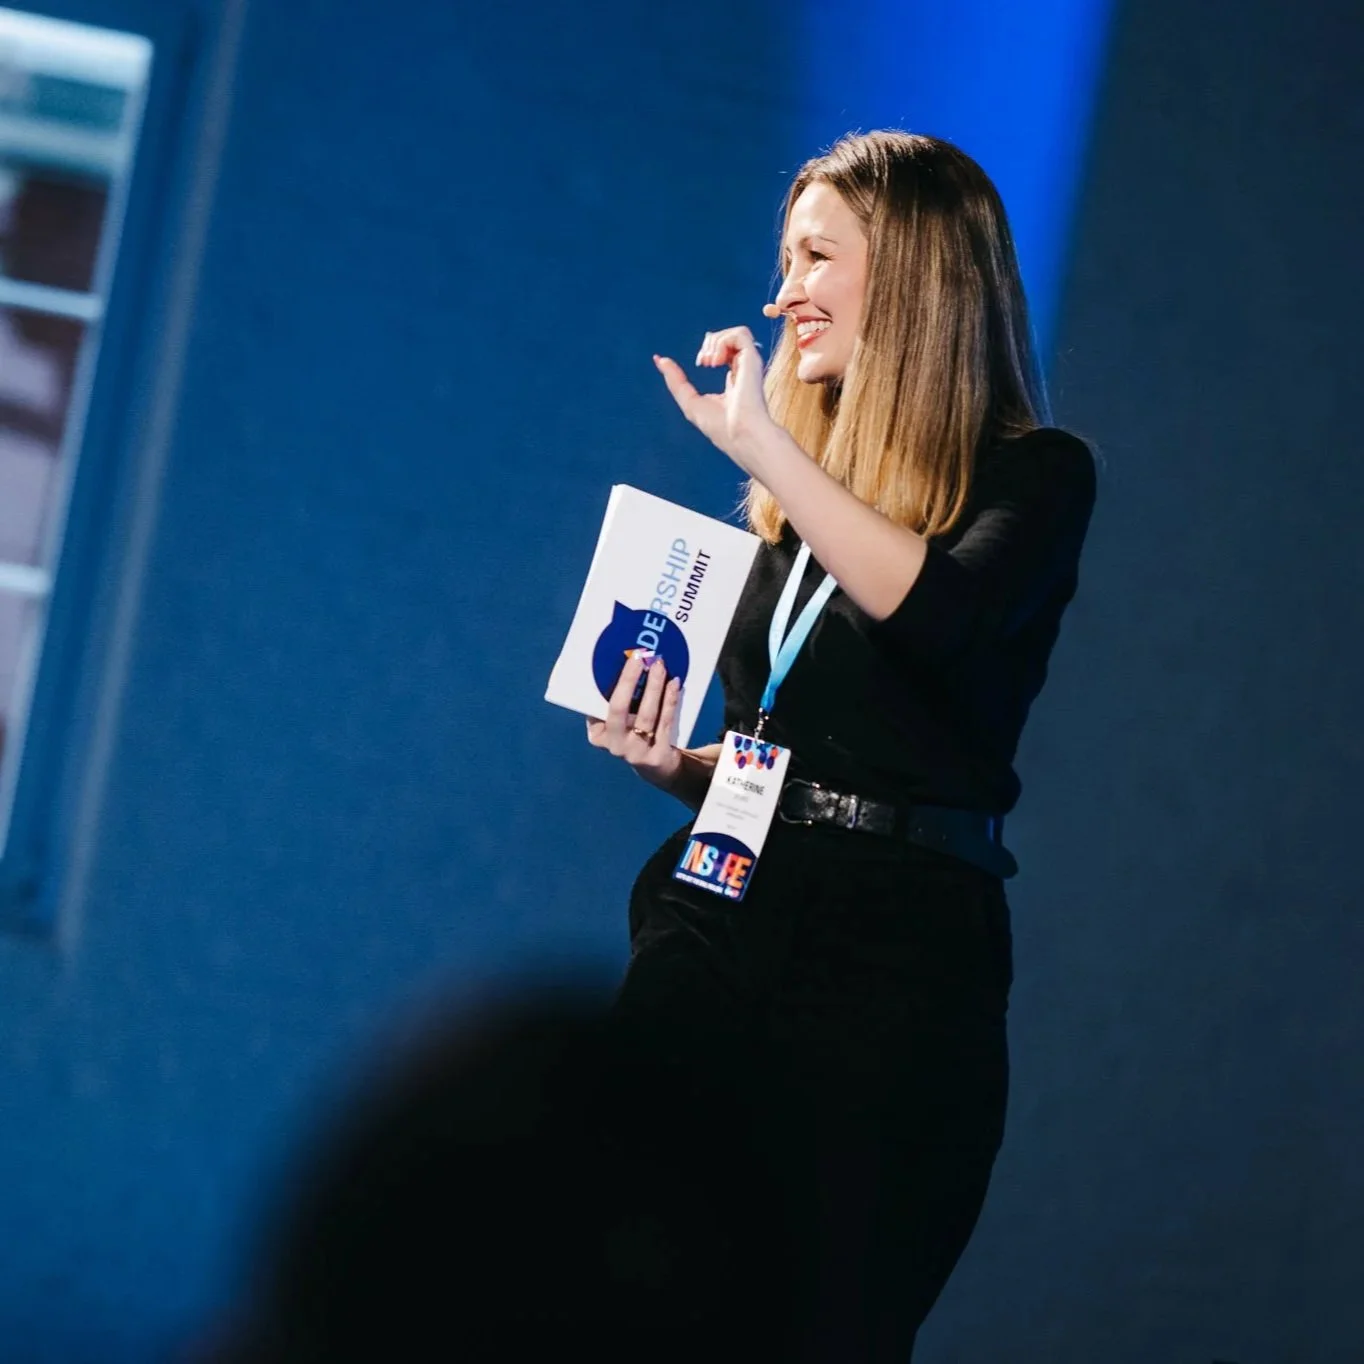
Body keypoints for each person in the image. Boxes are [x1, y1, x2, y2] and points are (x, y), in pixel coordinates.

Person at [587, 130, 1097, 1359]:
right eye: (781, 256)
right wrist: (677, 765)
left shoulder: (1033, 478)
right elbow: (794, 757)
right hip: (722, 909)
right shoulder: (791, 505)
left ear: (913, 274)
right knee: (617, 1291)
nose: (780, 293)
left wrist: (764, 441)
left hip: (896, 960)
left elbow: (936, 617)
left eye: (814, 254)